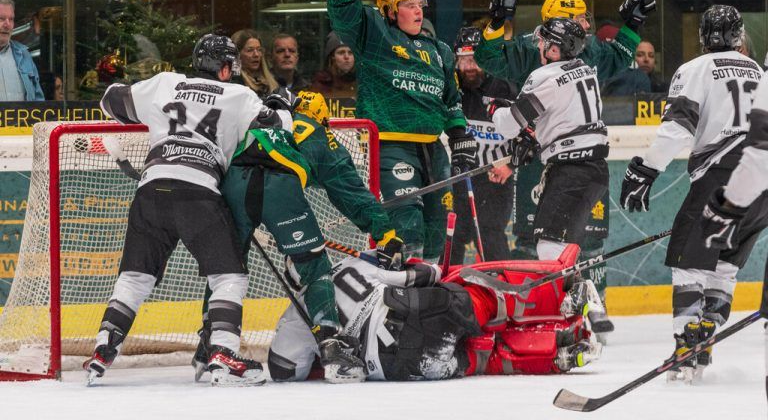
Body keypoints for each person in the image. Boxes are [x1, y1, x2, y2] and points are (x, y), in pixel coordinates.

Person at [84, 34, 292, 387]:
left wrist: (119, 81)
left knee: (136, 276)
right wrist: (282, 103)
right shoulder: (239, 95)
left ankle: (104, 346)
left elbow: (110, 100)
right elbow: (280, 129)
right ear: (226, 69)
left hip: (151, 189)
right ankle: (222, 354)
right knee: (229, 277)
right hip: (198, 191)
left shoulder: (166, 83)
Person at [474, 0, 656, 323]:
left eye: (587, 18)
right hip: (547, 154)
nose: (587, 25)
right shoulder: (538, 48)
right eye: (580, 19)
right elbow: (490, 58)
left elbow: (617, 58)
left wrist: (631, 25)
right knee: (540, 237)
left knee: (573, 238)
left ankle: (580, 304)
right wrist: (497, 21)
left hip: (563, 152)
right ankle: (553, 304)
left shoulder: (575, 54)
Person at [619, 5, 768, 383]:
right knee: (725, 266)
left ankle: (686, 346)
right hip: (761, 181)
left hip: (720, 175)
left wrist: (646, 168)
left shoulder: (696, 69)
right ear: (738, 37)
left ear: (704, 37)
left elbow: (677, 131)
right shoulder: (758, 71)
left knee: (690, 264)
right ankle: (706, 335)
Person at [193, 90, 375, 384]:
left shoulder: (242, 117)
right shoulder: (304, 123)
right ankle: (331, 346)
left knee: (225, 269)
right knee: (314, 267)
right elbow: (339, 177)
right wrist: (379, 226)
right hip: (281, 188)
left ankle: (208, 345)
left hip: (236, 185)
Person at [326, 0, 477, 264]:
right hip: (391, 145)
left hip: (432, 149)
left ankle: (431, 295)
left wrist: (460, 136)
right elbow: (339, 5)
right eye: (409, 5)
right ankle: (401, 294)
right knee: (406, 223)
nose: (418, 10)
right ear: (391, 11)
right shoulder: (374, 33)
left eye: (420, 4)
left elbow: (450, 98)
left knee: (439, 225)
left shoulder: (438, 50)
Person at [268, 246, 602, 382]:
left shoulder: (295, 316)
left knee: (486, 355)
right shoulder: (354, 264)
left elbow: (283, 370)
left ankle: (559, 352)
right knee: (483, 292)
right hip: (422, 315)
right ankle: (562, 296)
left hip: (401, 365)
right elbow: (427, 274)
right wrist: (410, 265)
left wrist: (318, 355)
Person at [486, 17, 612, 333]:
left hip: (572, 169)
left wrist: (494, 110)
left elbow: (509, 125)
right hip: (592, 168)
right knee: (560, 244)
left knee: (549, 247)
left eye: (543, 42)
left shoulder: (545, 76)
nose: (539, 47)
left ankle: (590, 305)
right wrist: (511, 164)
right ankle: (582, 311)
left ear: (554, 48)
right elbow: (550, 129)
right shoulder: (585, 70)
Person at [450, 26, 518, 264]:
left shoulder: (506, 88)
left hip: (496, 177)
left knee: (490, 234)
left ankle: (503, 290)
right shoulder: (453, 87)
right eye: (463, 60)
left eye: (474, 60)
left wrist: (510, 164)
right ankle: (446, 292)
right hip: (460, 175)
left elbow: (534, 133)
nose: (468, 67)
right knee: (453, 236)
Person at [0, 0, 44, 101]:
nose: (7, 24)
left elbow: (38, 102)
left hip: (21, 118)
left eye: (11, 19)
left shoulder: (23, 55)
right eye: (1, 18)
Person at [231, 29, 279, 97]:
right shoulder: (234, 83)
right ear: (237, 54)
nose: (256, 54)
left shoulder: (272, 80)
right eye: (250, 50)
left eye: (259, 50)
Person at [309, 32, 357, 99]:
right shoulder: (320, 85)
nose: (346, 57)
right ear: (332, 57)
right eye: (341, 52)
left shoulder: (364, 84)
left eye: (350, 52)